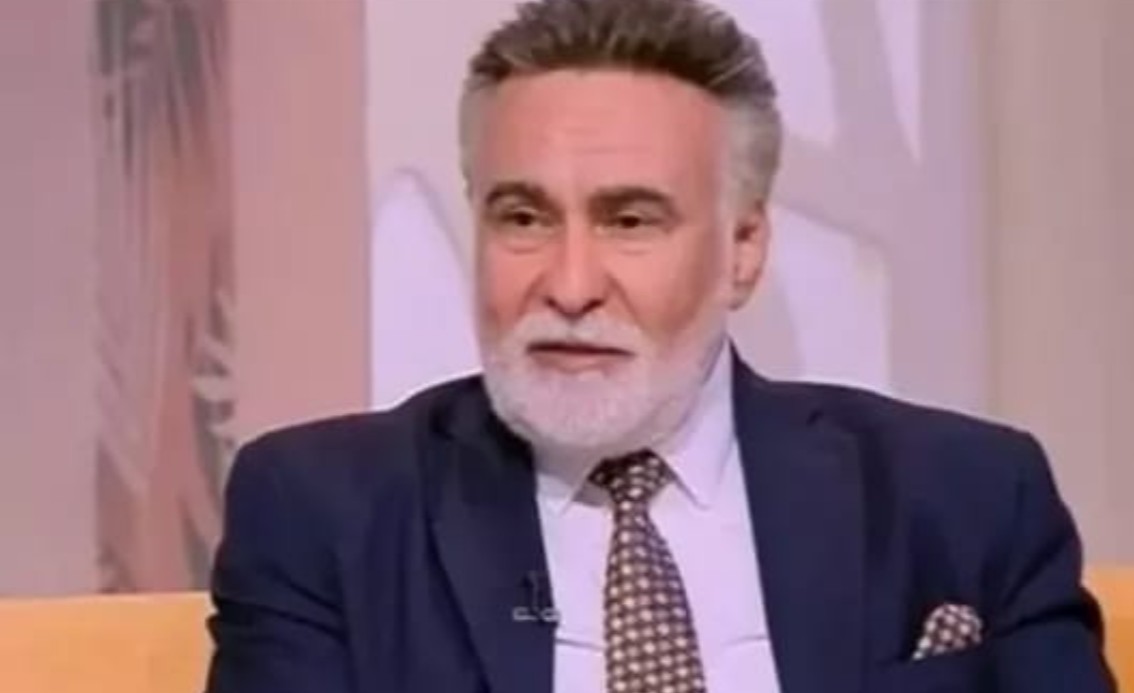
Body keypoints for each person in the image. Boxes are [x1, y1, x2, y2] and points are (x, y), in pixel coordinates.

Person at [204, 0, 1115, 691]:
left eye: (630, 220)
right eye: (522, 217)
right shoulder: (326, 511)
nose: (569, 284)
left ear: (743, 249)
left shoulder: (963, 499)